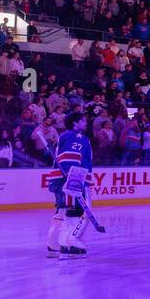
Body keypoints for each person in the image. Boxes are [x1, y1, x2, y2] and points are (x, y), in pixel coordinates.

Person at [52, 110, 93, 259]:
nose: (85, 122)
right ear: (75, 124)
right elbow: (70, 158)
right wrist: (75, 181)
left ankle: (63, 244)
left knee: (67, 212)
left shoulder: (64, 136)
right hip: (74, 179)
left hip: (64, 179)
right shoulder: (78, 136)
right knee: (80, 211)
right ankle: (72, 242)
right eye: (82, 120)